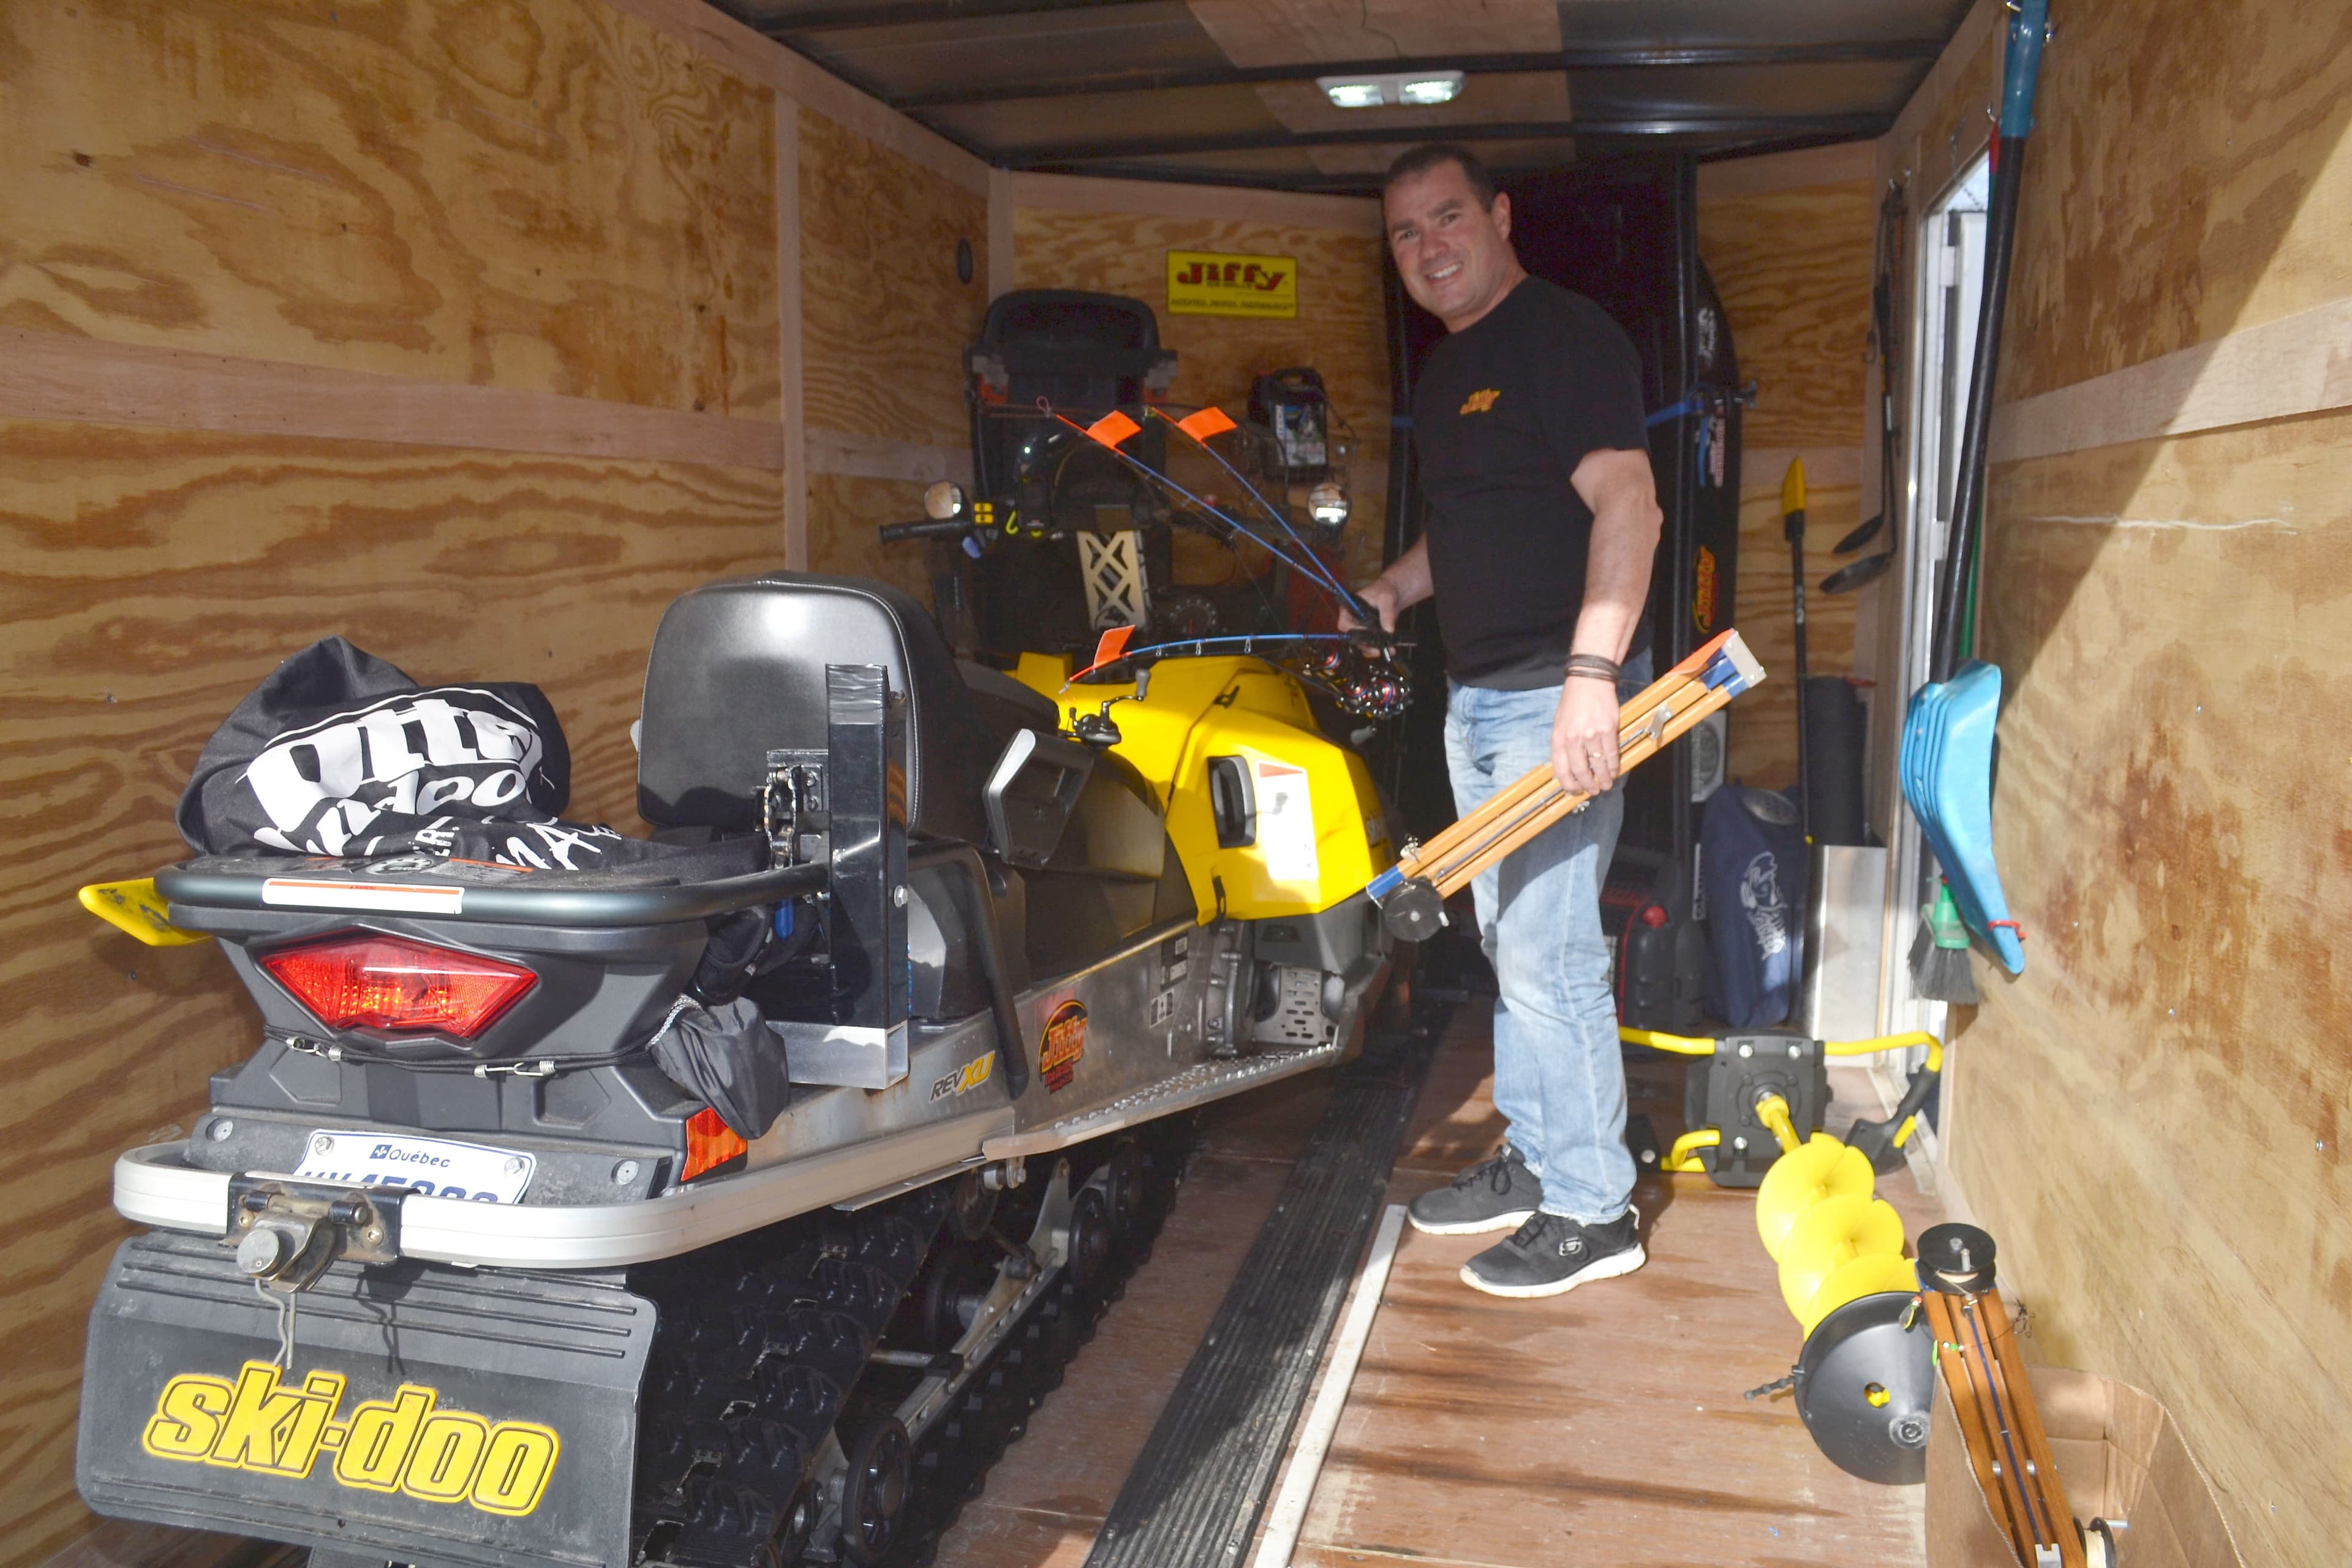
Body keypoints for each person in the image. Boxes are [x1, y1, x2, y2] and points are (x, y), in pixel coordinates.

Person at [1344, 144, 1663, 1299]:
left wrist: (1593, 673)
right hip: (1474, 699)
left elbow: (1630, 501)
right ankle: (1537, 1159)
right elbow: (1480, 526)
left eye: (1449, 219)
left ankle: (1594, 1207)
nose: (1431, 248)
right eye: (1407, 235)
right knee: (1511, 950)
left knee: (1551, 956)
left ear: (1500, 216)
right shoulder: (1445, 374)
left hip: (1551, 696)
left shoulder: (1564, 338)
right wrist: (1395, 587)